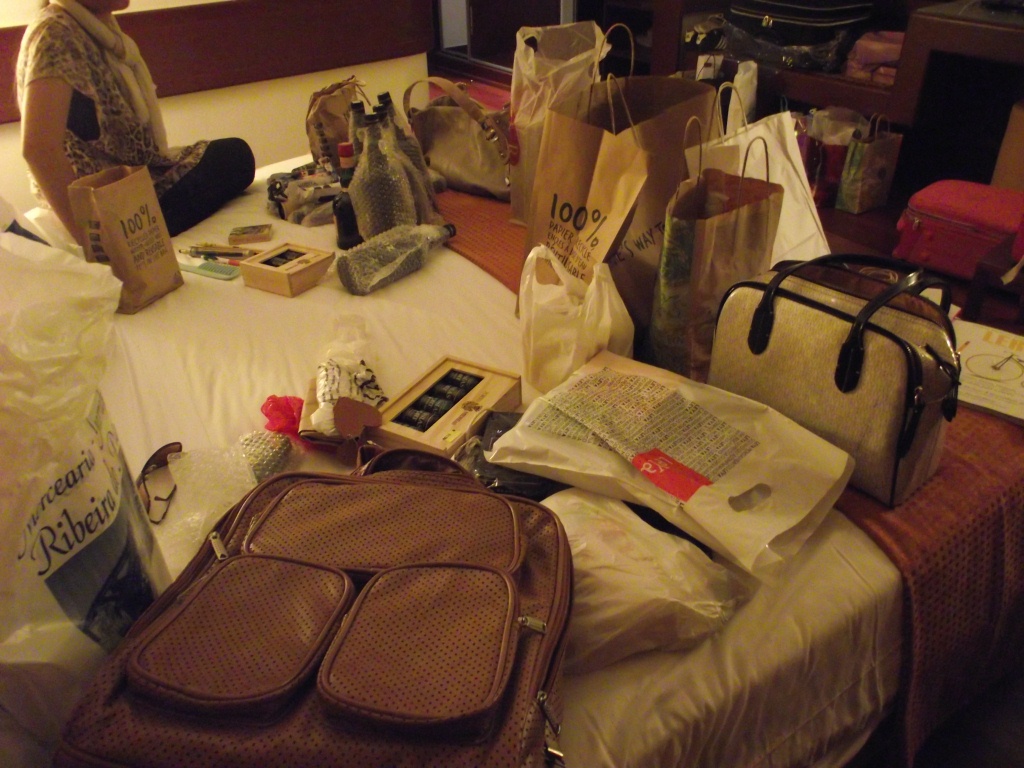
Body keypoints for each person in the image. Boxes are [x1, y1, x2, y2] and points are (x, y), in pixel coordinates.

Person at [17, 0, 255, 243]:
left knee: (232, 155)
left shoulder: (97, 29)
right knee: (232, 157)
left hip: (134, 176)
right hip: (108, 197)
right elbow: (39, 149)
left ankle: (144, 223)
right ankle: (139, 230)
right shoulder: (54, 33)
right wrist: (95, 240)